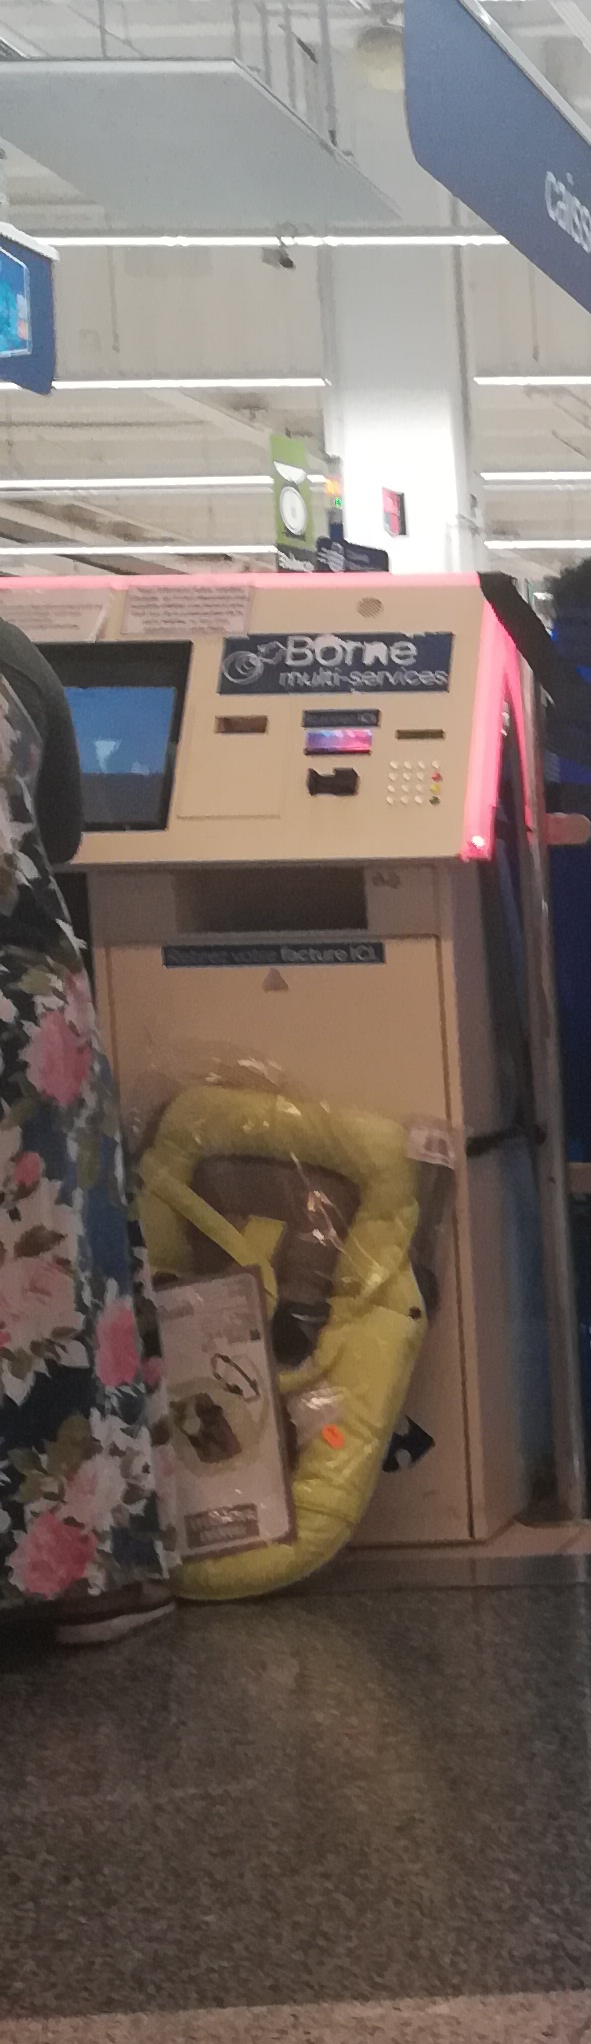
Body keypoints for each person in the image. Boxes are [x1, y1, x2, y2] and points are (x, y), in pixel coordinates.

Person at [0, 610, 171, 1645]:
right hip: (20, 1018)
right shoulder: (13, 657)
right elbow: (58, 833)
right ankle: (77, 1575)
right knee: (51, 1289)